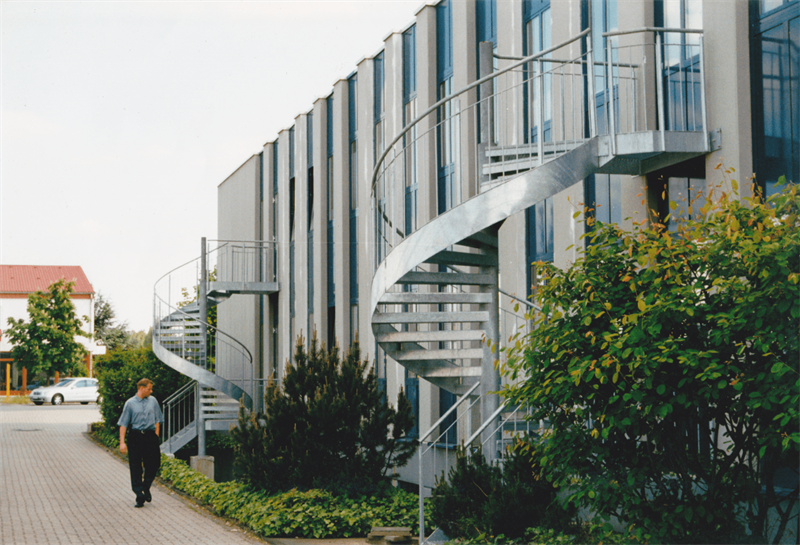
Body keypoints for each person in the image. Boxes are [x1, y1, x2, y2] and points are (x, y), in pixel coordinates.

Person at [118, 378, 164, 508]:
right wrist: (122, 442)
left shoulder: (153, 401)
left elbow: (158, 420)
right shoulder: (130, 403)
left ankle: (146, 486)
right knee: (136, 466)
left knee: (154, 463)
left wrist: (156, 436)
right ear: (141, 388)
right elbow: (123, 424)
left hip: (150, 436)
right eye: (149, 388)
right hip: (136, 437)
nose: (151, 391)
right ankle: (139, 495)